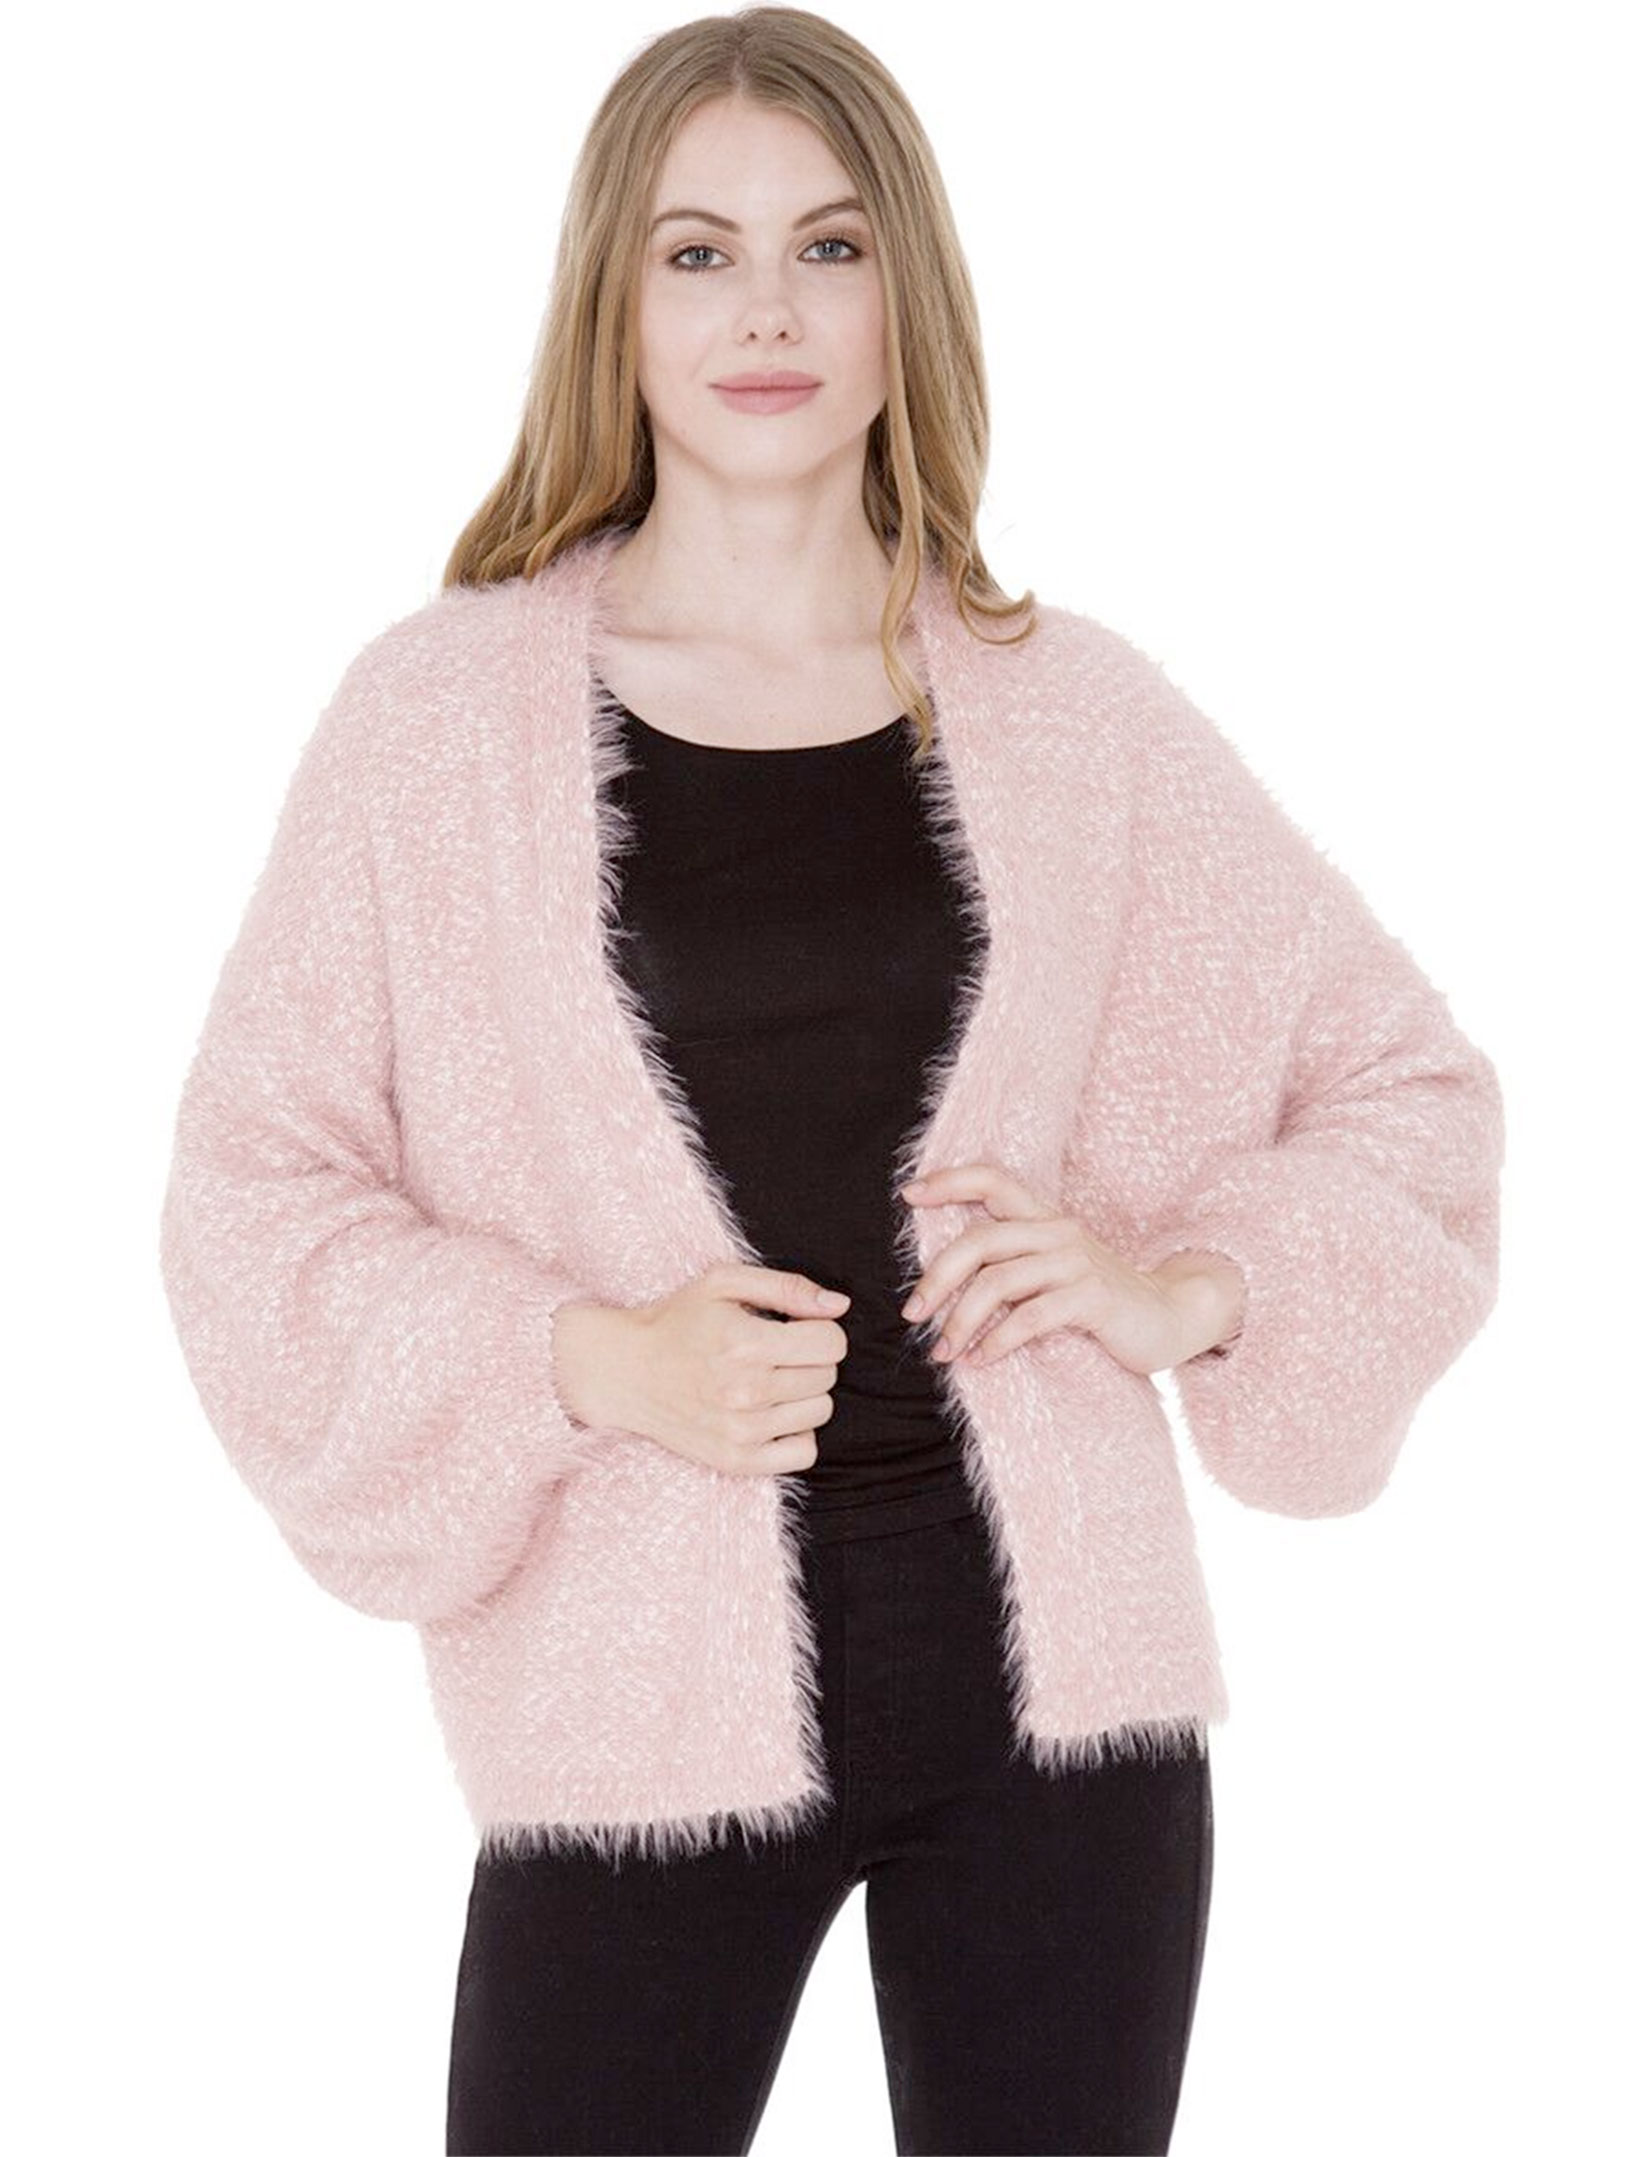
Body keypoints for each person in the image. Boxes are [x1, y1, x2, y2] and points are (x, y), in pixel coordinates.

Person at [158, 9, 1504, 2154]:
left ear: (906, 297)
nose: (767, 311)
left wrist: (1185, 1286)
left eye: (830, 246)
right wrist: (589, 1357)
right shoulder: (435, 729)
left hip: (1060, 1713)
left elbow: (1404, 1086)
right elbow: (255, 1192)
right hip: (630, 1713)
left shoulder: (1074, 715)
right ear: (614, 305)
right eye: (698, 253)